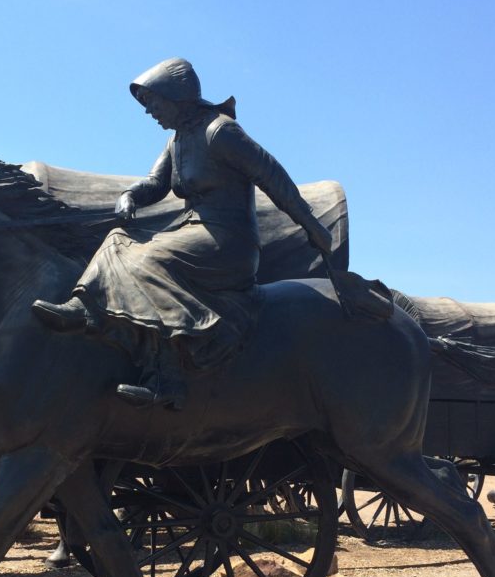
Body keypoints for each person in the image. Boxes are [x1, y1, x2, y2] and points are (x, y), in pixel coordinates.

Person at [32, 57, 333, 409]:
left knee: (151, 259)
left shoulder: (220, 131)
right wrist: (129, 197)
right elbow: (155, 184)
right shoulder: (176, 141)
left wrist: (312, 225)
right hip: (190, 234)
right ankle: (88, 310)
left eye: (153, 103)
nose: (149, 112)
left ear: (175, 95)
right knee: (117, 241)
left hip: (228, 242)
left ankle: (168, 379)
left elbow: (273, 177)